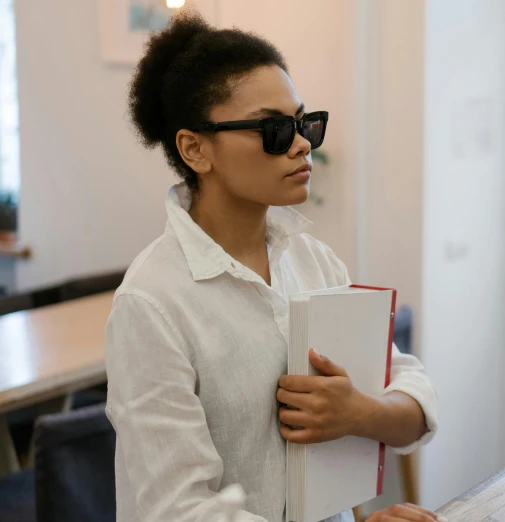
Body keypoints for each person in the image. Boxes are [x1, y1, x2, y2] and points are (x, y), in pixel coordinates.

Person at [104, 11, 441, 522]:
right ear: (195, 149)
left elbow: (415, 401)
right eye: (275, 129)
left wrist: (358, 413)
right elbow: (183, 510)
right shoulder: (152, 303)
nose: (303, 143)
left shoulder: (312, 261)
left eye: (304, 123)